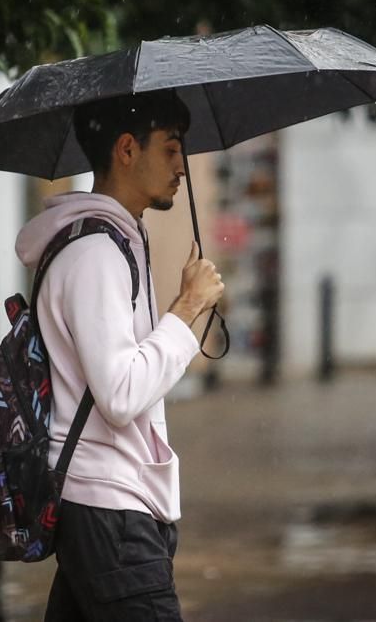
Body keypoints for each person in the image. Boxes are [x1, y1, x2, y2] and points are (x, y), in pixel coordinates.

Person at [13, 90, 226, 620]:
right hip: (109, 510)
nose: (181, 166)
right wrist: (187, 307)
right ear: (127, 149)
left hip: (107, 502)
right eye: (171, 149)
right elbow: (121, 393)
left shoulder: (115, 242)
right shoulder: (96, 254)